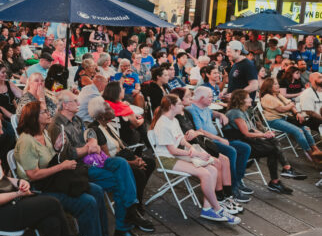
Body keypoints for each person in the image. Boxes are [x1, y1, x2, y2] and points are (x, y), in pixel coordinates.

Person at [14, 101, 114, 236]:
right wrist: (62, 166)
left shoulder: (44, 133)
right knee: (87, 202)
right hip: (40, 189)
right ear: (34, 117)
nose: (48, 114)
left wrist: (57, 148)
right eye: (44, 112)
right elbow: (33, 175)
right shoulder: (26, 141)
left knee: (96, 190)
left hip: (55, 181)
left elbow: (52, 158)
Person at [48, 91, 152, 236]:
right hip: (79, 167)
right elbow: (66, 154)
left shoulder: (76, 119)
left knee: (121, 163)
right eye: (75, 101)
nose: (79, 103)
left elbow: (89, 131)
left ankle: (130, 206)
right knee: (120, 182)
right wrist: (88, 149)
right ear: (65, 105)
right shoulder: (57, 125)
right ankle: (124, 224)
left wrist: (91, 140)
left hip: (94, 160)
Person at [150, 95, 240, 224]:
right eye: (180, 104)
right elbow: (172, 151)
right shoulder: (163, 124)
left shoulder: (173, 120)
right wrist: (196, 154)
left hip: (177, 155)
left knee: (213, 170)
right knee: (205, 173)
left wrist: (192, 148)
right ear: (171, 107)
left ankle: (207, 208)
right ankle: (218, 208)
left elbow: (181, 140)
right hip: (166, 159)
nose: (183, 106)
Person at [87, 97, 156, 219]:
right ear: (102, 115)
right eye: (108, 108)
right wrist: (133, 163)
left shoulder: (108, 125)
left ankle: (136, 197)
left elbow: (123, 146)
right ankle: (134, 206)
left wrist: (136, 158)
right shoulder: (96, 129)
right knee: (139, 173)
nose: (112, 109)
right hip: (116, 162)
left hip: (124, 156)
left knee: (150, 163)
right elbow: (108, 159)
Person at [225, 90, 299, 194]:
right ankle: (280, 176)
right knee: (273, 149)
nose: (251, 99)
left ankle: (282, 173)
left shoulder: (243, 111)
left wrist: (265, 133)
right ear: (241, 100)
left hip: (248, 141)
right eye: (248, 97)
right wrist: (263, 135)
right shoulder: (235, 113)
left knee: (273, 141)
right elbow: (246, 133)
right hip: (240, 144)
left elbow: (252, 129)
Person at [259, 78, 322, 162]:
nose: (278, 85)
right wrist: (291, 105)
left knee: (305, 128)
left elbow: (289, 105)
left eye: (277, 83)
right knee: (298, 131)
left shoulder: (277, 94)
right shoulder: (267, 97)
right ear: (269, 86)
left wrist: (297, 113)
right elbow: (282, 109)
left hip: (285, 117)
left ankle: (316, 150)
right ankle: (311, 154)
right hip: (273, 120)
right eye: (275, 84)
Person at [102, 81, 145, 146]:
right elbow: (136, 123)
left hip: (110, 136)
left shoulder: (104, 104)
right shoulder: (124, 108)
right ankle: (141, 151)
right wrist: (142, 119)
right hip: (125, 139)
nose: (124, 89)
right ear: (117, 92)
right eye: (122, 88)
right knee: (141, 126)